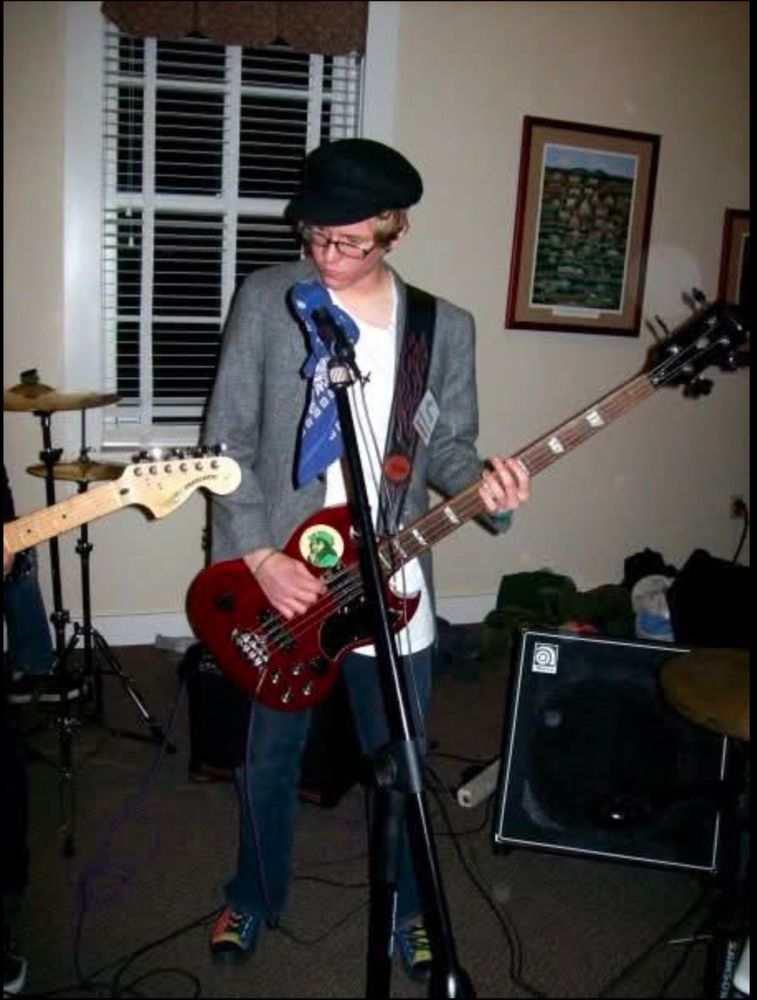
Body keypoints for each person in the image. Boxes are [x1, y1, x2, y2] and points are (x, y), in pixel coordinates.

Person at [201, 138, 531, 980]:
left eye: (348, 242)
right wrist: (257, 554)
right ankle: (255, 891)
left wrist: (483, 488)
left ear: (393, 231)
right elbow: (226, 437)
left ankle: (414, 914)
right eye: (314, 237)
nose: (326, 257)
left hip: (394, 584)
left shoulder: (439, 328)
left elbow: (449, 448)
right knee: (267, 759)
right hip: (285, 576)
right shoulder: (269, 297)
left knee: (405, 765)